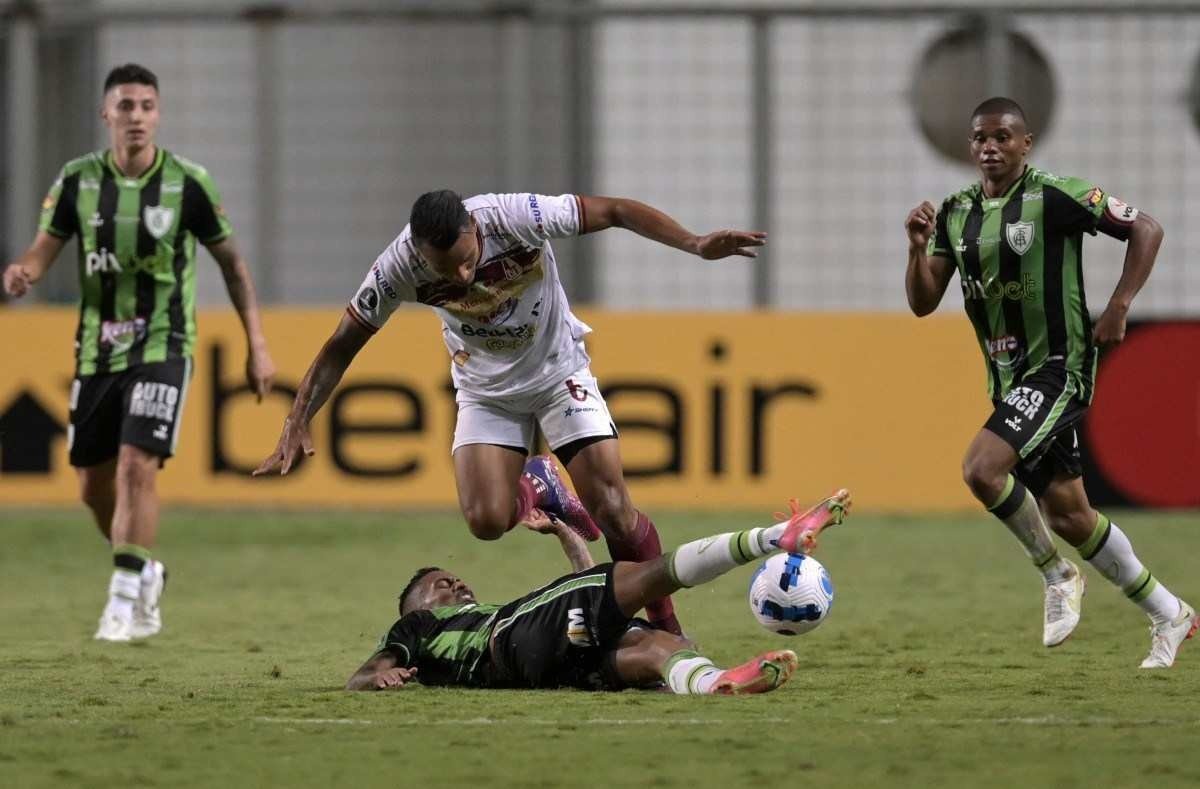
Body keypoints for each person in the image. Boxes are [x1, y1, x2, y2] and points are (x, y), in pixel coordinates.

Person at [253, 189, 766, 636]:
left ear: (474, 228)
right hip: (486, 391)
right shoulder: (397, 267)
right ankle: (539, 484)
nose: (462, 275)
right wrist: (297, 417)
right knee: (486, 521)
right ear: (420, 252)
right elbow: (343, 344)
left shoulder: (516, 217)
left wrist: (694, 243)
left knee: (612, 510)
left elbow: (614, 211)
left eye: (466, 259)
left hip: (558, 373)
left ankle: (667, 629)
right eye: (445, 269)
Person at [904, 96, 1195, 668]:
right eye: (981, 138)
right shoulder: (955, 211)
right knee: (1069, 515)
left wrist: (1119, 305)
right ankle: (1170, 612)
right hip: (1008, 378)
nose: (991, 147)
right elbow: (922, 301)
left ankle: (1057, 573)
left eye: (1003, 137)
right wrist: (916, 250)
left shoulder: (1055, 195)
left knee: (981, 469)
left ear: (1025, 143)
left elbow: (1147, 229)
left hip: (1059, 367)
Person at [1, 63, 276, 641]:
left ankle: (122, 603)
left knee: (136, 464)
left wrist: (256, 344)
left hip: (164, 343)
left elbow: (233, 266)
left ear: (158, 114)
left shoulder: (188, 183)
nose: (137, 116)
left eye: (147, 106)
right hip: (97, 352)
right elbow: (43, 250)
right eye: (125, 106)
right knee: (91, 487)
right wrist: (24, 272)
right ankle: (146, 569)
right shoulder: (77, 181)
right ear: (106, 113)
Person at [345, 489, 850, 694]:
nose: (456, 582)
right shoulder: (419, 626)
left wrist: (566, 536)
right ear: (416, 606)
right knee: (646, 574)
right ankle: (774, 537)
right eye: (441, 583)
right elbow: (360, 677)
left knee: (654, 648)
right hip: (511, 646)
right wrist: (378, 678)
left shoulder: (486, 621)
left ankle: (717, 682)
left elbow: (587, 604)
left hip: (551, 670)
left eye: (454, 578)